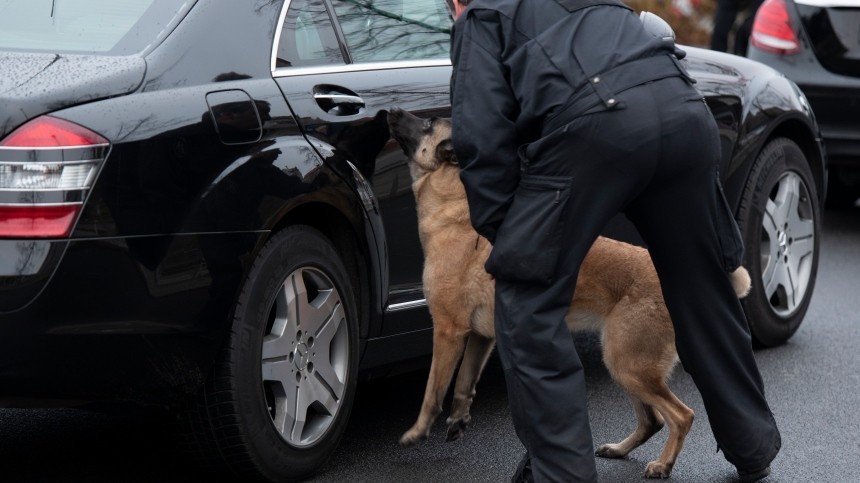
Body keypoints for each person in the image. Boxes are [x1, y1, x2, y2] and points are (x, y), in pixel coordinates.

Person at [448, 0, 781, 481]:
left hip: (596, 128)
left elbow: (480, 135)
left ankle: (562, 473)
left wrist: (514, 241)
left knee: (523, 302)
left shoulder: (479, 15)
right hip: (684, 113)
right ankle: (754, 445)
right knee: (703, 287)